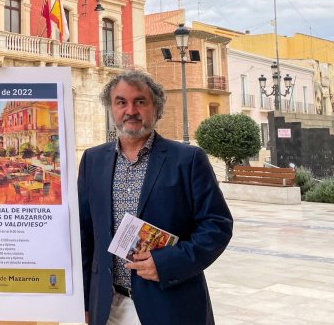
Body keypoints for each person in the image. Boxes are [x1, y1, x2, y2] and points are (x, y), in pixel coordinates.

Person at [78, 70, 233, 325]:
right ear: (111, 108)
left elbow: (217, 227)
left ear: (156, 109)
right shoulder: (92, 160)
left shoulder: (189, 160)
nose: (131, 110)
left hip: (171, 305)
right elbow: (85, 236)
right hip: (108, 307)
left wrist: (166, 264)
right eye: (121, 102)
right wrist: (85, 300)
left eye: (140, 101)